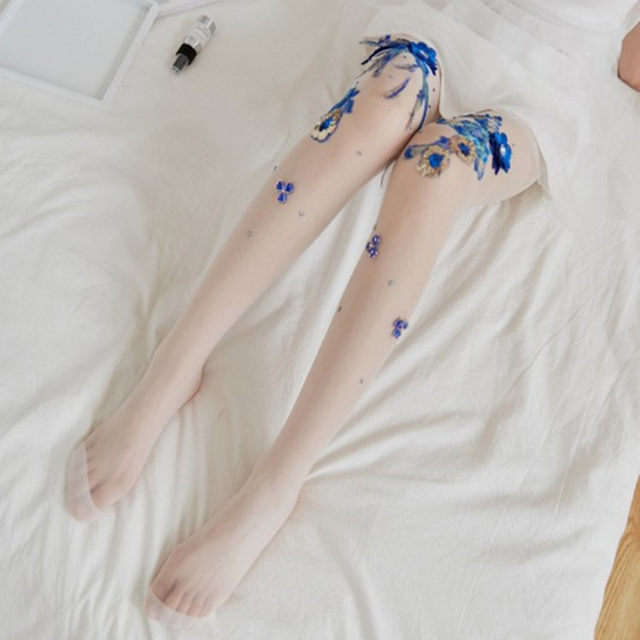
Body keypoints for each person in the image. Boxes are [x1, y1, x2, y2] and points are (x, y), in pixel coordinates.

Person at [65, 0, 640, 628]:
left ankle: (278, 482)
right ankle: (176, 363)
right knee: (380, 106)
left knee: (435, 169)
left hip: (547, 88)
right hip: (450, 19)